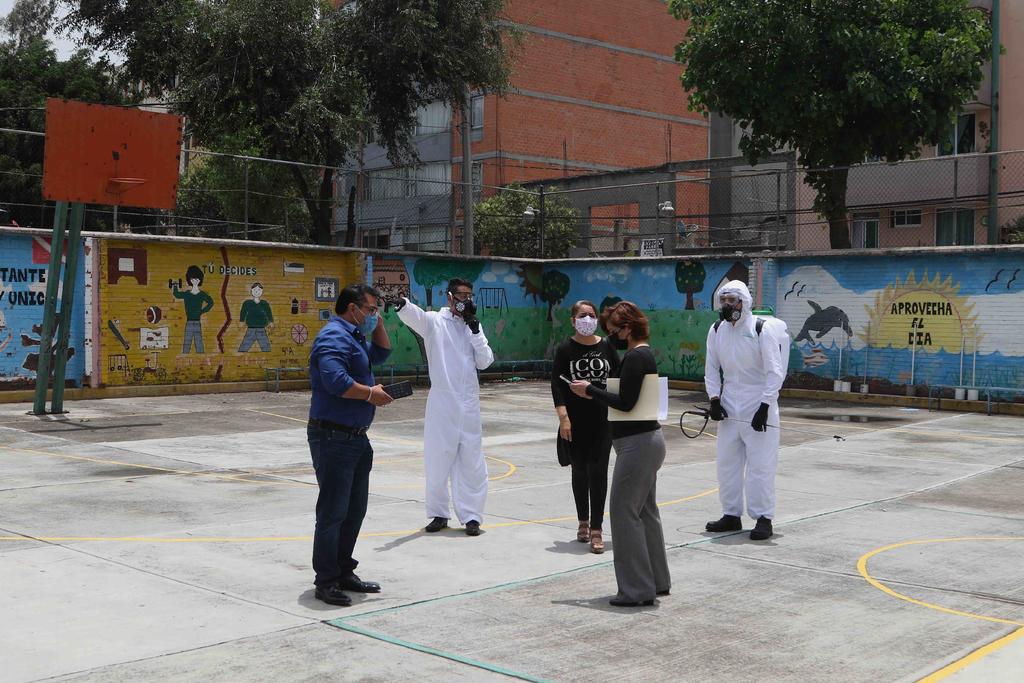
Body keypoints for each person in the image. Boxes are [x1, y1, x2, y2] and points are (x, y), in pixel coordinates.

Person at [570, 302, 670, 607]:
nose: (611, 336)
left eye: (614, 331)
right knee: (645, 512)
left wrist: (590, 390)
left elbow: (626, 402)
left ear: (627, 329)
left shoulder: (636, 357)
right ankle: (656, 580)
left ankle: (636, 589)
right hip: (645, 443)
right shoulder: (642, 354)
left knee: (624, 513)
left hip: (637, 444)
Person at [307, 284, 394, 606]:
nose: (373, 315)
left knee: (354, 511)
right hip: (333, 437)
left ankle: (344, 570)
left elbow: (381, 353)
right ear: (352, 308)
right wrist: (370, 394)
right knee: (333, 512)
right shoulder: (333, 337)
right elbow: (336, 381)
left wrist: (378, 322)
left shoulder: (354, 336)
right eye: (370, 309)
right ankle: (326, 580)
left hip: (355, 437)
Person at [394, 278, 495, 536]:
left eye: (469, 295)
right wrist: (402, 304)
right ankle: (439, 513)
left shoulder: (473, 326)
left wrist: (475, 331)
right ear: (450, 297)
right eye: (461, 295)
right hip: (442, 400)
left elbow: (485, 361)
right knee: (438, 458)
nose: (466, 300)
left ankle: (472, 516)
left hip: (469, 402)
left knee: (472, 460)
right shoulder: (435, 322)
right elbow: (415, 316)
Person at [703, 280, 786, 541]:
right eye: (723, 300)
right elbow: (711, 368)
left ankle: (763, 518)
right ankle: (731, 514)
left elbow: (775, 372)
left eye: (732, 300)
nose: (727, 305)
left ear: (744, 302)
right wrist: (714, 399)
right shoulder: (717, 330)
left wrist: (765, 405)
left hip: (757, 401)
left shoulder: (760, 329)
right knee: (727, 463)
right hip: (729, 403)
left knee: (760, 465)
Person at [551, 300, 620, 554]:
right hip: (575, 421)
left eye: (591, 315)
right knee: (579, 471)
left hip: (602, 420)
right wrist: (563, 418)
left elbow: (618, 378)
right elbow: (556, 384)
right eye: (582, 316)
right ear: (573, 320)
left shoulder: (607, 346)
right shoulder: (565, 349)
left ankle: (597, 529)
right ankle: (583, 521)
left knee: (598, 472)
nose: (587, 320)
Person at [172, 265, 214, 354]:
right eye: (193, 279)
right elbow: (177, 294)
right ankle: (185, 356)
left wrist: (202, 311)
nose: (195, 281)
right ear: (190, 280)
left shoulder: (202, 294)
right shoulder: (187, 294)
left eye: (197, 279)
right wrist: (175, 286)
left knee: (199, 342)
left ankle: (201, 356)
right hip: (189, 322)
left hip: (197, 321)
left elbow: (211, 302)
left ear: (200, 280)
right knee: (187, 342)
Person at [238, 282, 274, 352]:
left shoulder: (264, 303)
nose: (257, 292)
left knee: (266, 349)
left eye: (259, 290)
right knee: (243, 348)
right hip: (250, 329)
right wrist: (241, 321)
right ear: (251, 291)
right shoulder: (247, 303)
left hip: (261, 330)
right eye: (255, 290)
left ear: (262, 291)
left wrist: (271, 322)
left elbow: (268, 313)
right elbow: (243, 312)